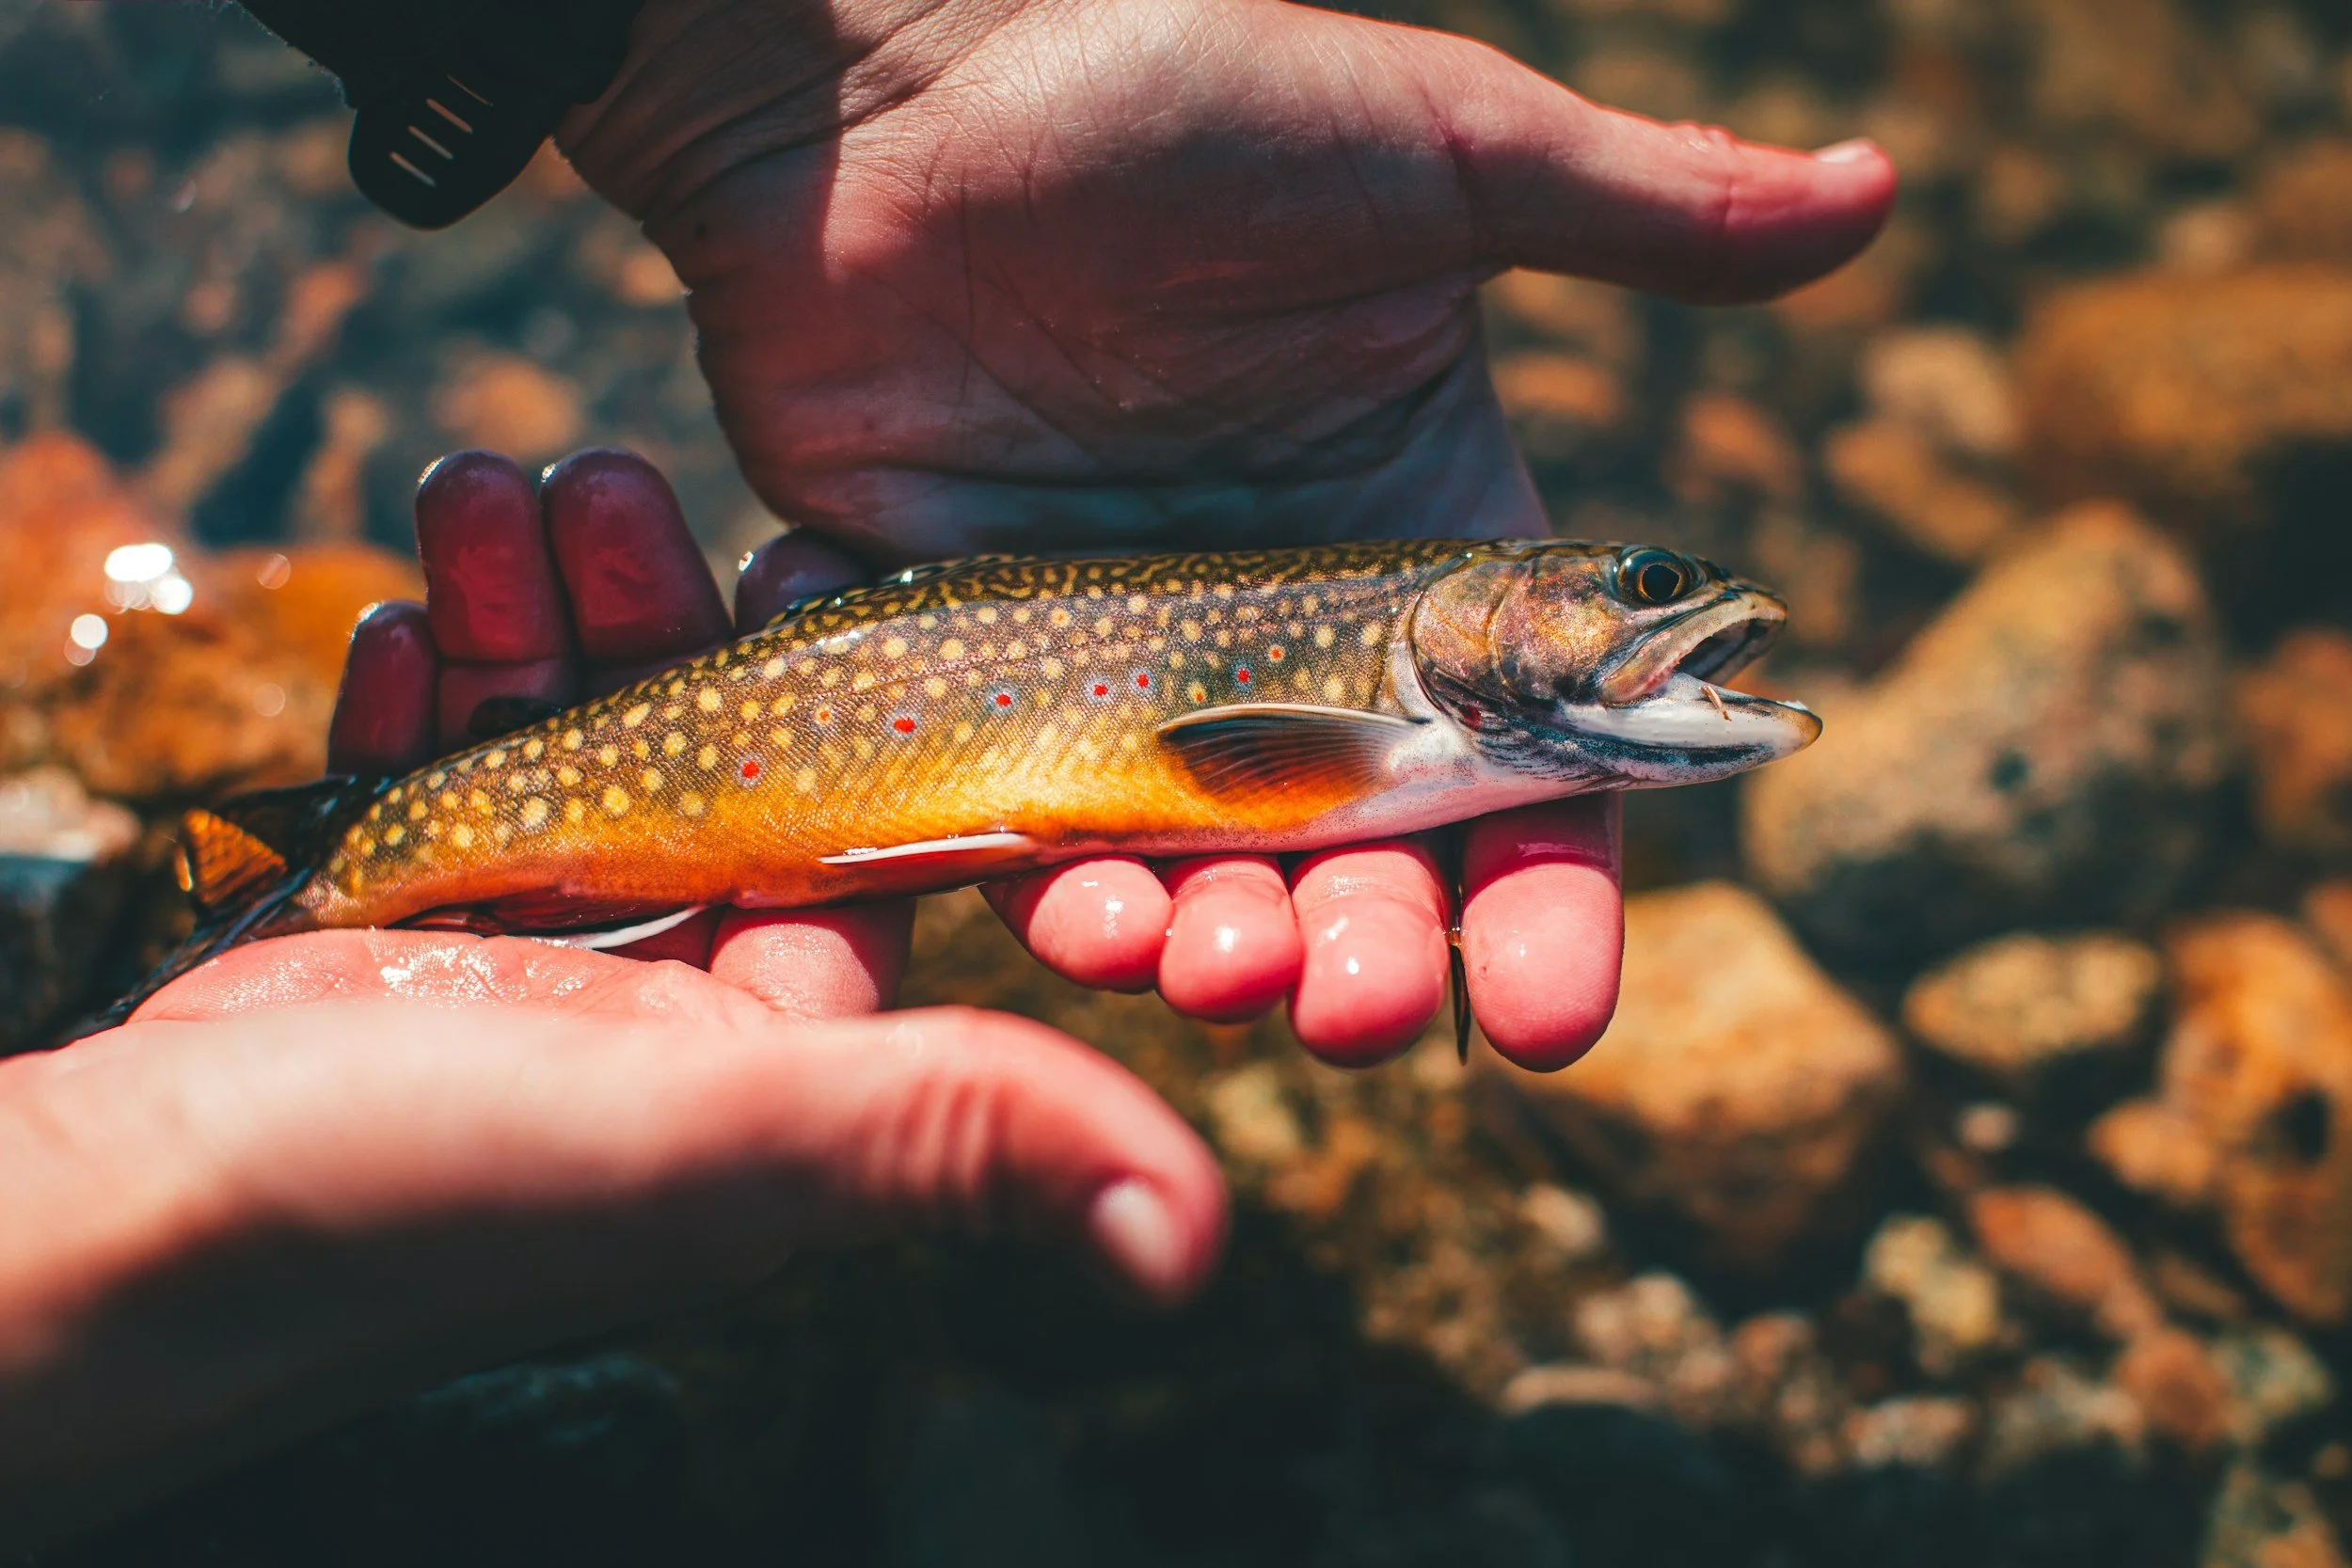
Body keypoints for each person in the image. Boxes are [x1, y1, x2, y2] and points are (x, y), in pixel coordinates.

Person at [0, 0, 1893, 1542]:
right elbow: (1239, 770)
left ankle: (232, 902)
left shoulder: (1412, 684)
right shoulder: (1381, 697)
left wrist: (785, 79)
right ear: (1494, 604)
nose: (1684, 616)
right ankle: (288, 874)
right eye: (1640, 594)